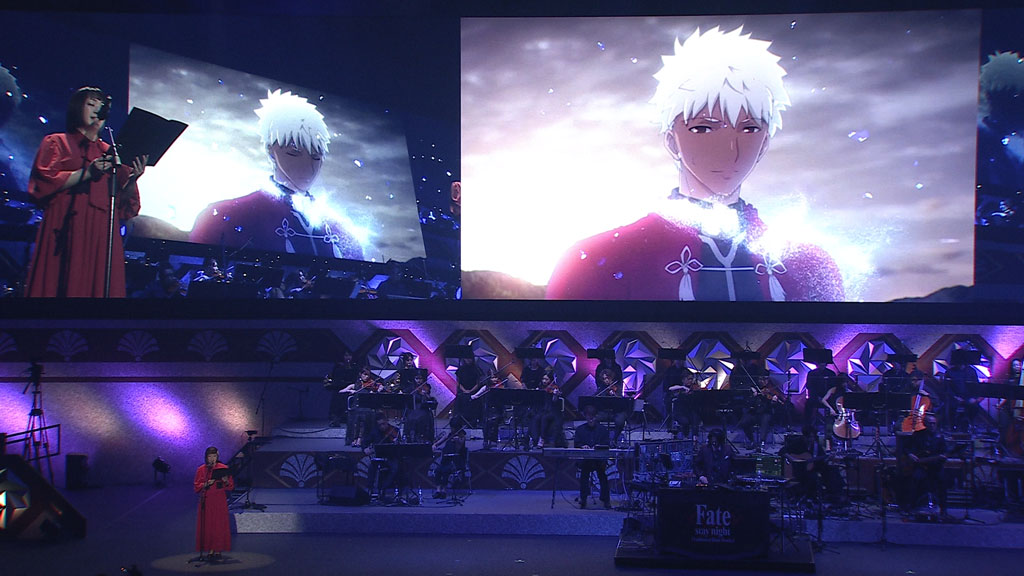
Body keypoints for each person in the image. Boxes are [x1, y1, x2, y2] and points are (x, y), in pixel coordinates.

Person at [546, 27, 843, 302]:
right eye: (703, 128)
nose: (730, 149)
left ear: (765, 142)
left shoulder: (810, 265)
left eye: (749, 128)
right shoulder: (600, 259)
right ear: (672, 140)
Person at [189, 89, 363, 260]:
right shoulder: (227, 215)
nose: (308, 168)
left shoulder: (341, 229)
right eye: (294, 153)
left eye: (316, 157)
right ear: (271, 151)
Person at [26, 86, 147, 297]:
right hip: (65, 224)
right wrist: (88, 173)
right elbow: (43, 183)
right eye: (91, 104)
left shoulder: (112, 154)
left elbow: (124, 206)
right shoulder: (57, 142)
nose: (97, 110)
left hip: (102, 232)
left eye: (102, 107)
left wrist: (133, 180)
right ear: (76, 108)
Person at [193, 446, 234, 559]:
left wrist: (226, 481)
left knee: (219, 524)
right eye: (210, 456)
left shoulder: (223, 468)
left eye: (214, 456)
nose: (212, 459)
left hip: (219, 500)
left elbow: (230, 486)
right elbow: (196, 486)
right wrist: (205, 484)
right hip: (206, 500)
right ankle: (209, 549)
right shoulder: (201, 469)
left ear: (217, 456)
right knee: (208, 524)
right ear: (206, 457)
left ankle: (218, 549)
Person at [574, 405, 611, 509]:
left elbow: (607, 443)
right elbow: (576, 443)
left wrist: (598, 447)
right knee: (584, 475)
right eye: (589, 417)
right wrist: (582, 446)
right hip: (586, 460)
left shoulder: (603, 429)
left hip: (599, 459)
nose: (591, 419)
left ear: (596, 416)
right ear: (585, 416)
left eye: (593, 417)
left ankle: (606, 499)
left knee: (602, 475)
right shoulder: (580, 429)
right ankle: (583, 499)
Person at [433, 428, 469, 500]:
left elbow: (459, 448)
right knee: (438, 470)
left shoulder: (461, 438)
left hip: (455, 461)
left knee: (446, 471)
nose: (453, 431)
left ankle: (444, 491)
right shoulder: (449, 435)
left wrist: (457, 441)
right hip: (446, 460)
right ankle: (438, 490)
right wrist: (435, 445)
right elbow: (441, 441)